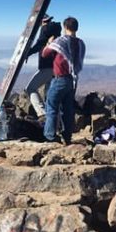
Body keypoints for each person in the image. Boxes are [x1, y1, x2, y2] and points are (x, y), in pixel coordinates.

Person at [41, 17, 86, 145]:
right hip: (72, 80)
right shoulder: (81, 43)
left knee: (51, 107)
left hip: (60, 79)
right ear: (76, 28)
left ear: (65, 27)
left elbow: (45, 54)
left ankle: (50, 137)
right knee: (67, 110)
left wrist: (49, 43)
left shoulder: (60, 41)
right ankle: (67, 137)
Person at [24, 15, 63, 119]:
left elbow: (39, 44)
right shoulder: (56, 32)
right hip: (56, 68)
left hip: (47, 67)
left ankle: (42, 113)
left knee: (30, 88)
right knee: (49, 96)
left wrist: (27, 53)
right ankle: (55, 122)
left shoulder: (45, 29)